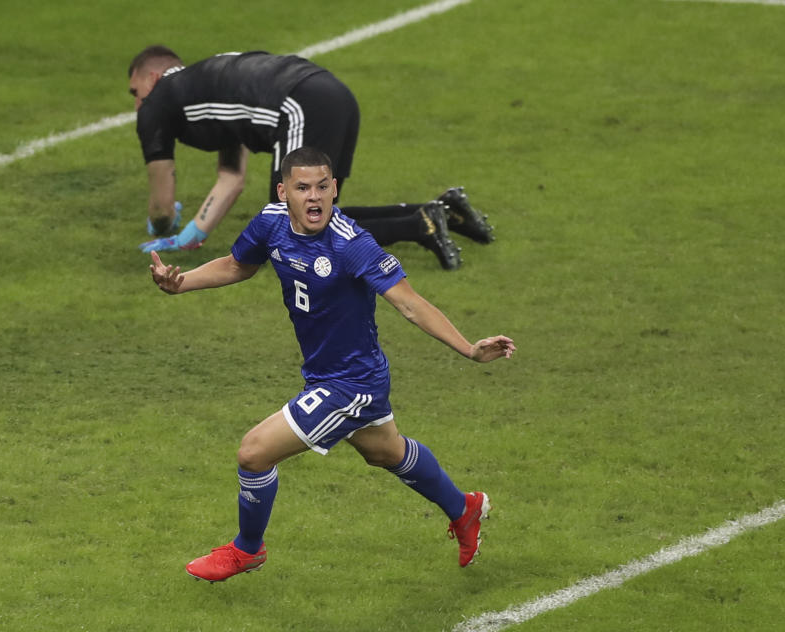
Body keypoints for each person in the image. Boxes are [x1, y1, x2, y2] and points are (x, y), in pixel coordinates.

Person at [149, 147, 516, 582]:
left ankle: (247, 550)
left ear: (335, 188)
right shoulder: (270, 222)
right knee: (386, 451)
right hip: (330, 371)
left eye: (323, 186)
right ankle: (464, 509)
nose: (314, 197)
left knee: (253, 453)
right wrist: (181, 283)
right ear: (284, 192)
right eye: (303, 188)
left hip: (352, 384)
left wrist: (469, 349)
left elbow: (411, 304)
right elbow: (236, 266)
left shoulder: (351, 244)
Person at [128, 45, 496, 271]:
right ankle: (442, 210)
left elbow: (161, 207)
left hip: (299, 104)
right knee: (316, 215)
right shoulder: (208, 84)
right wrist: (191, 236)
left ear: (154, 76)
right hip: (330, 93)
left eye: (135, 91)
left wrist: (162, 228)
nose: (137, 103)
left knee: (296, 228)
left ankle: (418, 226)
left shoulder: (156, 105)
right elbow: (231, 178)